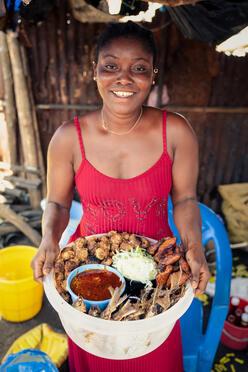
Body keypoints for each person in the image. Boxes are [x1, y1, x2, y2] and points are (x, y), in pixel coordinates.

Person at [31, 21, 210, 372]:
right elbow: (57, 203)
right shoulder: (68, 137)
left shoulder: (176, 132)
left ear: (153, 75)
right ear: (94, 71)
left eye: (139, 68)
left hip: (156, 274)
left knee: (152, 356)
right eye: (111, 66)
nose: (124, 79)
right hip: (90, 273)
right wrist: (49, 239)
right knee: (98, 355)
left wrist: (195, 248)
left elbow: (186, 200)